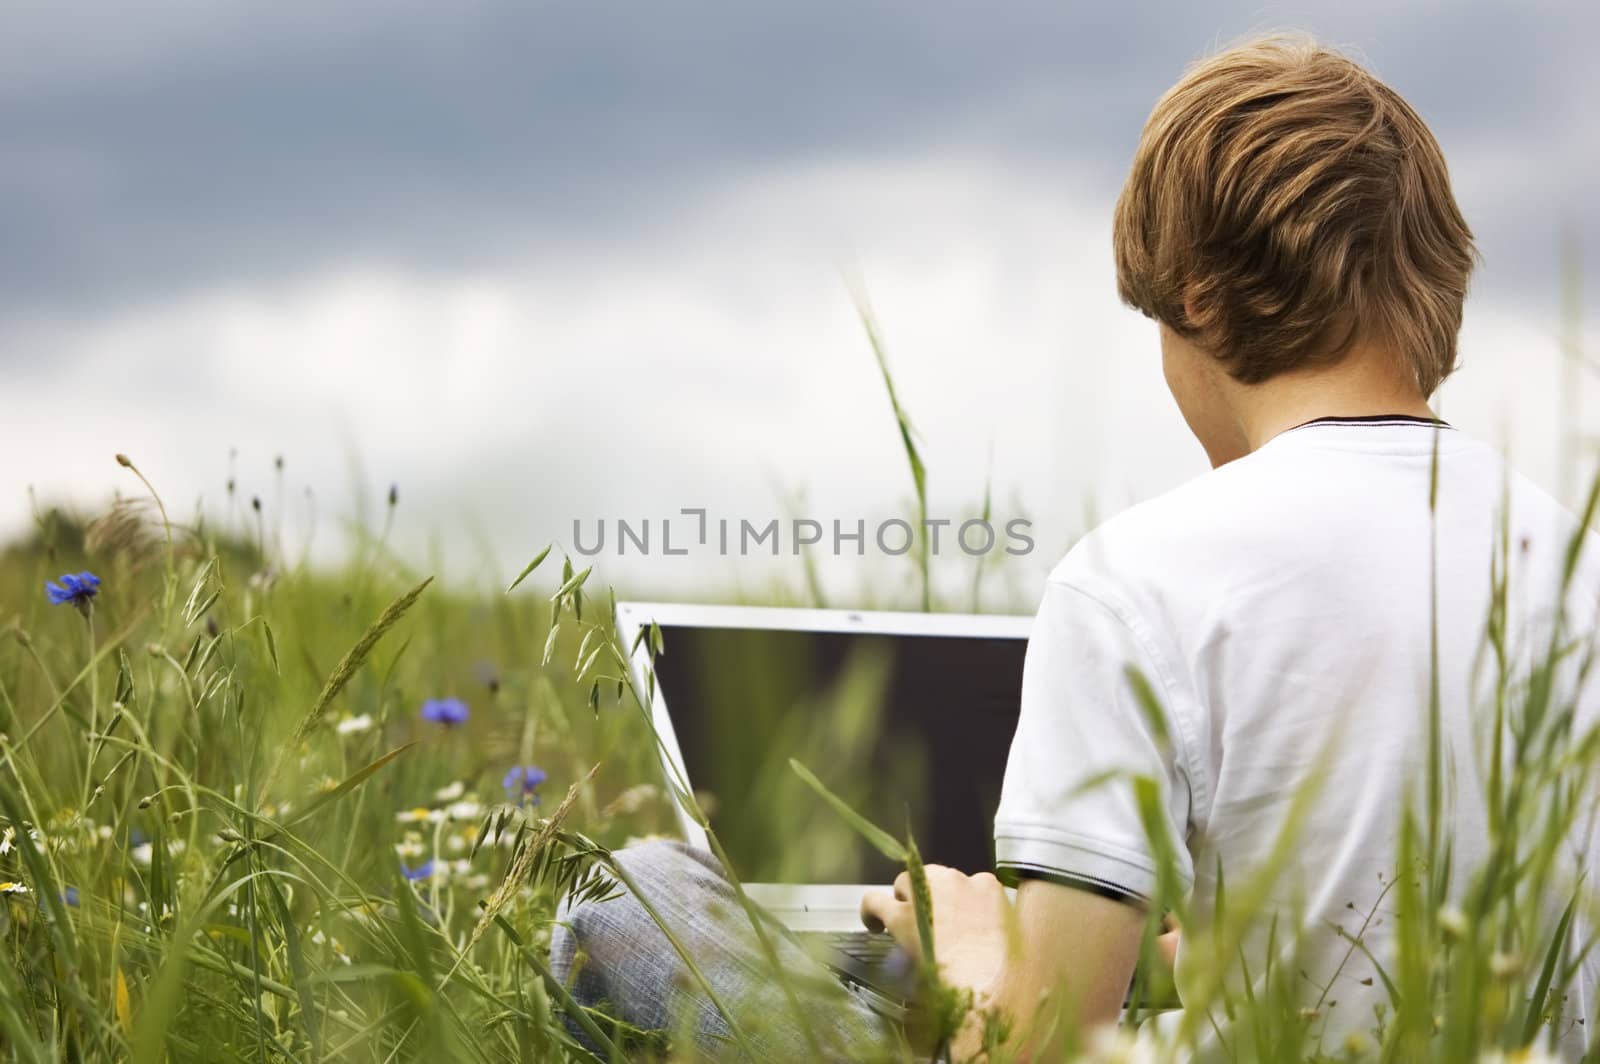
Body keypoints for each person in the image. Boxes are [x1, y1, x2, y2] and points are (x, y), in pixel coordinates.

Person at [552, 34, 1600, 1061]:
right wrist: (1198, 959)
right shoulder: (1569, 556)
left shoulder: (1141, 580)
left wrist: (965, 952)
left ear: (1193, 295)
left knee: (635, 903)